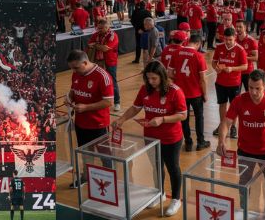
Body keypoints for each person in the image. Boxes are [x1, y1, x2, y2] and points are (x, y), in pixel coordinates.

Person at [112, 61, 187, 216]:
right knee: (157, 166)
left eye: (154, 78)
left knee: (173, 168)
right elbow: (135, 108)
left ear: (162, 76)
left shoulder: (175, 91)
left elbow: (183, 115)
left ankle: (176, 199)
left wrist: (163, 119)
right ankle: (160, 193)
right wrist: (122, 119)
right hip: (151, 137)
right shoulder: (145, 89)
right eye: (148, 78)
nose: (151, 82)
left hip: (171, 138)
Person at [217, 70, 265, 214]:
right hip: (245, 150)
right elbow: (227, 122)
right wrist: (221, 140)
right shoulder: (239, 100)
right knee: (244, 181)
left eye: (257, 88)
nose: (253, 92)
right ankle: (243, 206)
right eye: (250, 87)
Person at [66, 50, 114, 188]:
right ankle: (86, 176)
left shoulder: (103, 76)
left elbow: (109, 101)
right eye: (72, 68)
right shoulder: (76, 73)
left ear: (85, 62)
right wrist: (69, 97)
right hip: (81, 123)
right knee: (85, 152)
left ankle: (109, 182)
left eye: (76, 67)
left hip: (98, 124)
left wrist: (86, 107)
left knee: (105, 156)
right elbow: (73, 90)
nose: (74, 71)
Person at [170, 35, 209, 151]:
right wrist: (205, 94)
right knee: (199, 117)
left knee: (184, 118)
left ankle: (188, 142)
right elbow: (203, 79)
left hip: (181, 93)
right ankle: (201, 142)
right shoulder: (198, 56)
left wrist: (179, 79)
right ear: (198, 44)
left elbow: (169, 73)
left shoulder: (176, 53)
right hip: (196, 93)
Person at [213, 28, 249, 147]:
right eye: (226, 39)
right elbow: (214, 62)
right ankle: (222, 124)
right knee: (222, 105)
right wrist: (216, 68)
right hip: (220, 82)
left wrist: (232, 69)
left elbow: (245, 66)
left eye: (230, 39)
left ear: (235, 38)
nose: (227, 42)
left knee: (234, 106)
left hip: (234, 83)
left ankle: (233, 126)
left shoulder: (240, 50)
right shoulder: (219, 47)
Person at [88, 19, 121, 112]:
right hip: (97, 62)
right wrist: (98, 46)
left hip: (110, 62)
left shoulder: (113, 36)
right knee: (98, 81)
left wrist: (96, 45)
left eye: (101, 28)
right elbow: (90, 45)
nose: (99, 30)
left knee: (112, 81)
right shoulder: (96, 34)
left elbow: (105, 49)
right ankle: (100, 101)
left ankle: (117, 102)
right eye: (98, 28)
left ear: (107, 27)